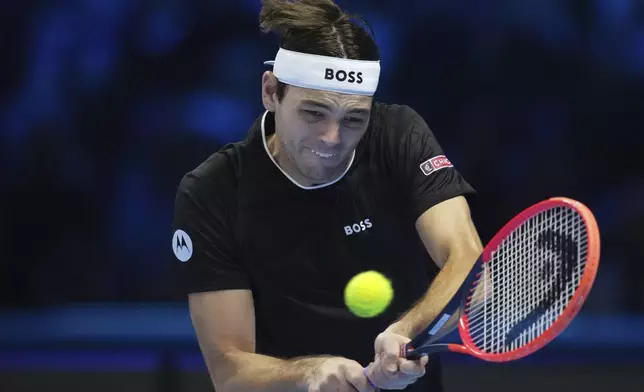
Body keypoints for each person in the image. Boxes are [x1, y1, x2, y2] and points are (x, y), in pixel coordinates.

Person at [171, 0, 484, 391]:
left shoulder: (399, 135)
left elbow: (468, 260)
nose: (332, 140)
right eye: (313, 113)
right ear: (271, 92)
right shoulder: (211, 191)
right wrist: (309, 374)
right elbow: (230, 371)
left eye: (354, 119)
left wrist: (406, 331)